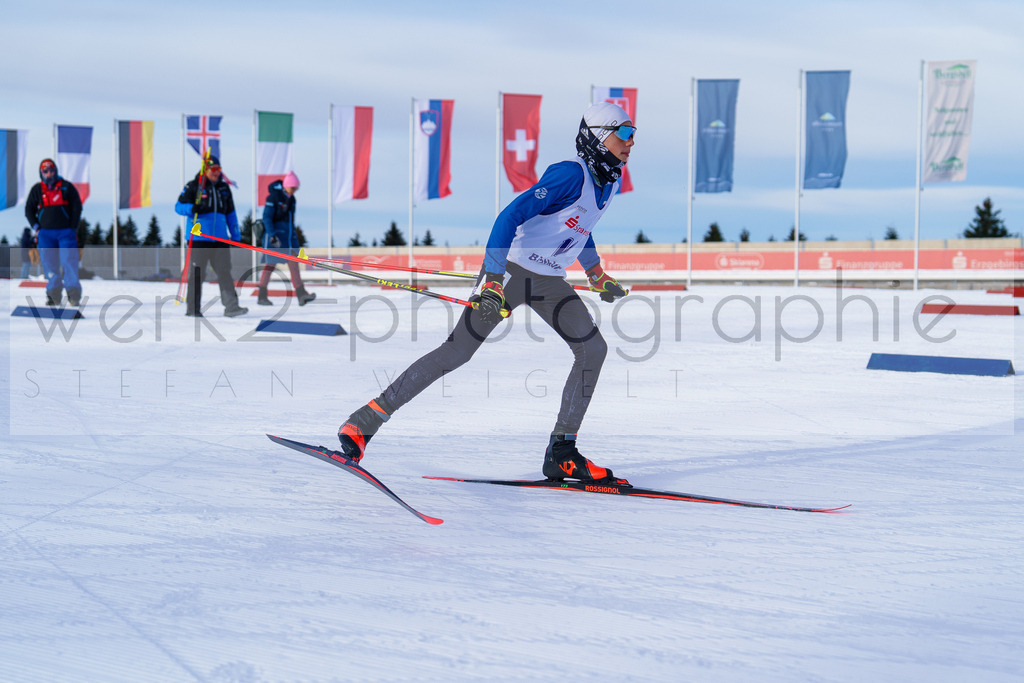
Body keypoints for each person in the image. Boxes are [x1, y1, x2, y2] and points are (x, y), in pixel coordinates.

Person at [336, 102, 632, 482]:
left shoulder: (609, 181)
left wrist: (595, 272)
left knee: (594, 349)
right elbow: (509, 216)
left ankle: (562, 452)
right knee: (458, 351)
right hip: (510, 271)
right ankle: (362, 423)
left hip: (549, 280)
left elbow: (583, 225)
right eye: (623, 132)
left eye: (632, 133)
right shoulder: (568, 175)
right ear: (596, 136)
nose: (631, 141)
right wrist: (492, 278)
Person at [174, 155, 248, 317]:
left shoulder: (224, 189)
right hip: (199, 238)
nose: (216, 173)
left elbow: (231, 213)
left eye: (219, 170)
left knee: (224, 272)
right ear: (205, 169)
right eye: (213, 169)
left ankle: (231, 307)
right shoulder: (194, 186)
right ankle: (193, 309)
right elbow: (178, 207)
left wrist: (235, 234)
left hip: (220, 239)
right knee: (198, 273)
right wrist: (193, 207)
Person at [25, 159, 83, 305]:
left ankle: (73, 295)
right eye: (45, 171)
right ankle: (53, 295)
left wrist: (73, 227)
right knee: (49, 264)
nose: (49, 173)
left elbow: (77, 207)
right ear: (41, 173)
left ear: (55, 171)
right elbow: (29, 210)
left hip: (66, 233)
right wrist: (36, 227)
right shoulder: (37, 190)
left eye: (51, 170)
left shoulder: (66, 187)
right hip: (45, 234)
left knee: (69, 262)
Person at [257, 171, 315, 306]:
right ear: (287, 186)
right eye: (293, 188)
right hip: (275, 238)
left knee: (294, 264)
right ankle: (261, 296)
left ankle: (301, 295)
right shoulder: (273, 197)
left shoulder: (292, 200)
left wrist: (296, 246)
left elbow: (291, 223)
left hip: (287, 238)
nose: (294, 191)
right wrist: (272, 235)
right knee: (270, 266)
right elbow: (267, 218)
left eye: (296, 189)